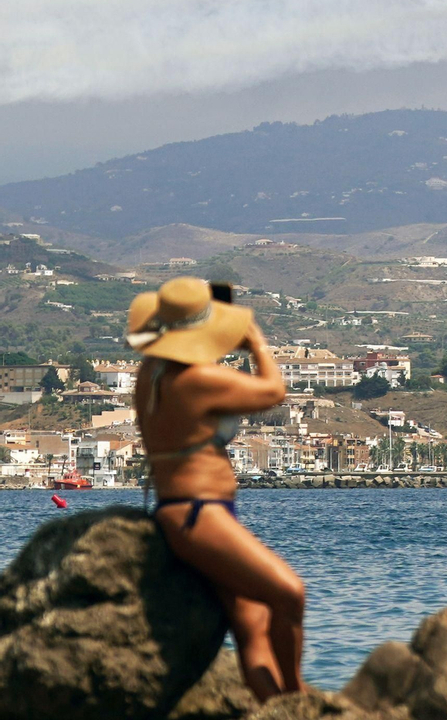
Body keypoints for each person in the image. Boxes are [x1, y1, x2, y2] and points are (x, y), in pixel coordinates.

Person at [129, 277, 304, 702]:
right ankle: (299, 701)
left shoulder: (153, 371)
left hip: (189, 509)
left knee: (252, 625)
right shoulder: (197, 380)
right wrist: (256, 341)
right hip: (199, 514)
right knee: (288, 594)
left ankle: (273, 706)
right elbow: (273, 391)